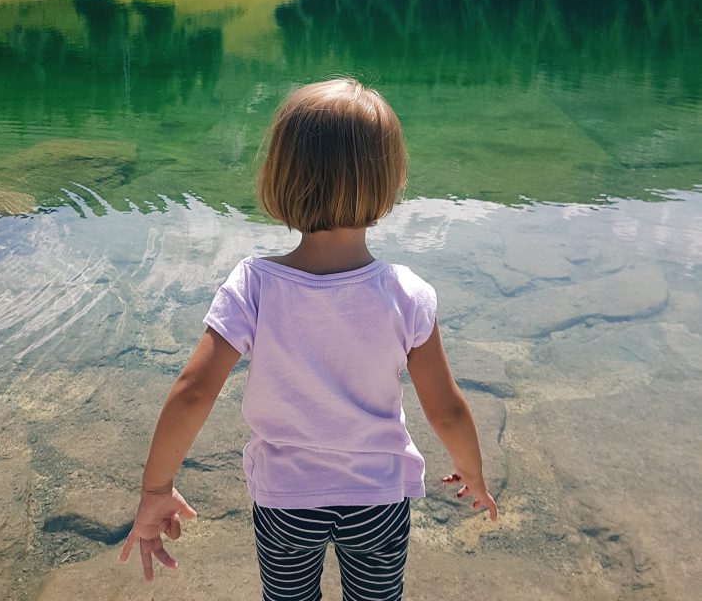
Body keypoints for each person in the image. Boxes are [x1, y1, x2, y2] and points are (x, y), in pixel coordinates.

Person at [120, 78, 498, 599]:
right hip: (377, 500)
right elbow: (446, 409)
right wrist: (471, 472)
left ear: (282, 176)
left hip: (285, 500)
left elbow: (192, 391)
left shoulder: (254, 284)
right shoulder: (406, 294)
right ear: (387, 183)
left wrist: (155, 489)